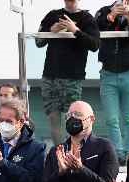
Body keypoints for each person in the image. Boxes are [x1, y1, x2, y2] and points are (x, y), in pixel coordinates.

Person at [37, 0, 100, 145]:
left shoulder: (87, 19)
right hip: (50, 75)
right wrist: (50, 31)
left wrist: (75, 30)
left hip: (72, 78)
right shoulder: (53, 15)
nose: (70, 2)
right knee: (53, 118)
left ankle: (72, 152)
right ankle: (59, 153)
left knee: (73, 119)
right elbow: (38, 42)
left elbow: (95, 45)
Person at [95, 0, 129, 161]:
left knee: (128, 118)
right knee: (111, 118)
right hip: (108, 73)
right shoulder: (104, 12)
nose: (125, 2)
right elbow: (95, 33)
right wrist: (111, 16)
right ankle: (116, 153)